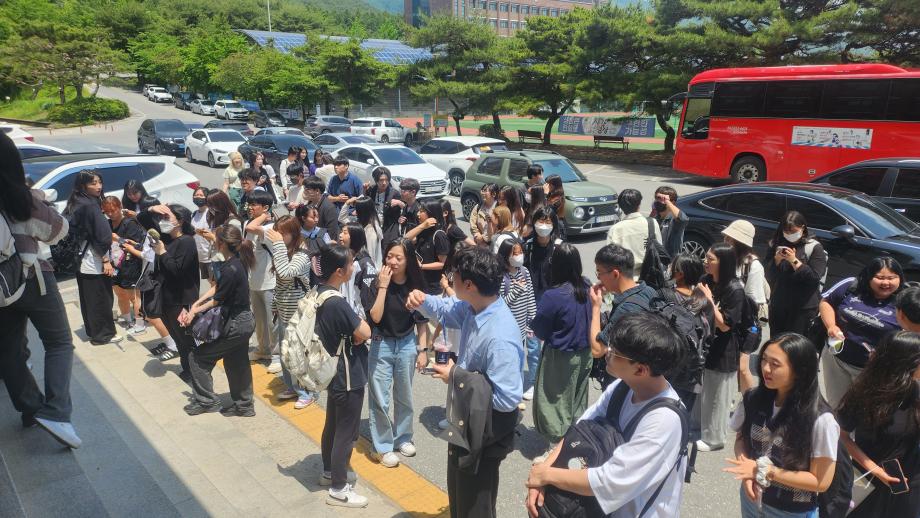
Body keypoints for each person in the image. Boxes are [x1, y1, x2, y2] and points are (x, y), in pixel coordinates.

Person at [526, 312, 687, 518]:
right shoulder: (623, 386)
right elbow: (581, 428)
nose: (607, 352)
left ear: (640, 370)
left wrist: (547, 475)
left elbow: (609, 481)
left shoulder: (663, 421)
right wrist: (542, 472)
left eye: (615, 352)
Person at [407, 246, 523, 518]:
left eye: (454, 276)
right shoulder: (475, 307)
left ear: (469, 284)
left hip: (485, 431)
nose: (450, 280)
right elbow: (446, 309)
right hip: (467, 419)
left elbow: (507, 400)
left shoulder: (500, 336)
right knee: (460, 493)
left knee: (476, 503)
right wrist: (422, 299)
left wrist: (456, 376)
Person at [0, 132, 79, 448]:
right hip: (33, 279)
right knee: (59, 343)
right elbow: (58, 231)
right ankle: (56, 412)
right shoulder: (20, 198)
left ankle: (31, 409)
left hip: (2, 288)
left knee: (8, 351)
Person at [725, 333, 839, 518]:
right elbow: (741, 439)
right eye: (764, 359)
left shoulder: (821, 420)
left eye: (775, 364)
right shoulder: (753, 398)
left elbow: (821, 481)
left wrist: (766, 471)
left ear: (799, 371)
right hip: (751, 500)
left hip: (790, 511)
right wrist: (746, 472)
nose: (765, 368)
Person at [313, 246, 373, 508]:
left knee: (333, 424)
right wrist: (359, 325)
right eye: (350, 264)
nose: (353, 267)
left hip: (331, 369)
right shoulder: (337, 302)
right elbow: (365, 332)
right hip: (348, 373)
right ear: (339, 271)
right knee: (346, 433)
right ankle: (339, 488)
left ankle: (329, 471)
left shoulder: (319, 292)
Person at [837, 331, 920, 517]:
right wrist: (875, 469)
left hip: (909, 483)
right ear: (907, 363)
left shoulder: (916, 392)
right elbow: (842, 435)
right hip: (869, 481)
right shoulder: (864, 393)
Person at [179, 224, 256, 417]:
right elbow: (218, 288)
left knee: (197, 357)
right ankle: (244, 406)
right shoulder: (237, 260)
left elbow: (217, 299)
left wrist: (194, 311)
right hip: (244, 321)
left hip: (236, 323)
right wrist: (196, 305)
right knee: (236, 362)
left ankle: (206, 401)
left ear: (221, 243)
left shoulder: (230, 268)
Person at [363, 238, 428, 468]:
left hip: (407, 343)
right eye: (389, 256)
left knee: (404, 394)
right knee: (380, 397)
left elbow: (421, 321)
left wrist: (423, 350)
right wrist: (383, 286)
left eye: (399, 257)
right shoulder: (375, 283)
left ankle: (403, 437)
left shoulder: (415, 285)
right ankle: (382, 446)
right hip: (381, 342)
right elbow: (376, 317)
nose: (393, 261)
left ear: (408, 260)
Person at [817, 257, 903, 407]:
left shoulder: (905, 300)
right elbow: (827, 302)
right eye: (880, 277)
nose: (886, 283)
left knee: (862, 409)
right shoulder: (851, 285)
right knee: (834, 405)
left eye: (892, 278)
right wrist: (831, 326)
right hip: (836, 361)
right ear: (868, 276)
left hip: (872, 371)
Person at [531, 244, 594, 445]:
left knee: (554, 401)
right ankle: (575, 438)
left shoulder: (554, 295)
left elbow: (540, 329)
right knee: (577, 397)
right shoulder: (586, 286)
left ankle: (557, 444)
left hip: (560, 356)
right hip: (586, 353)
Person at [697, 242, 746, 452]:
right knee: (702, 390)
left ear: (723, 262)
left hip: (724, 348)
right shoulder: (706, 280)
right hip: (705, 342)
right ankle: (699, 428)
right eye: (706, 257)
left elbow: (725, 325)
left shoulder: (735, 289)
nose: (705, 262)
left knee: (718, 396)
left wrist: (708, 300)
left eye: (710, 259)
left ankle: (715, 439)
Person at [588, 244, 658, 390]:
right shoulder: (649, 290)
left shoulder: (626, 309)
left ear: (615, 274)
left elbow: (597, 350)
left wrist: (595, 307)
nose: (598, 278)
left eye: (599, 272)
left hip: (626, 384)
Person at [264, 215, 316, 409]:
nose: (278, 236)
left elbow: (286, 273)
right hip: (283, 311)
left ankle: (307, 392)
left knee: (298, 355)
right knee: (286, 353)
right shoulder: (283, 252)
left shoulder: (302, 256)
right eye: (277, 232)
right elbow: (279, 282)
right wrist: (275, 305)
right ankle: (292, 387)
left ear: (293, 234)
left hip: (298, 314)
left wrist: (277, 246)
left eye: (282, 233)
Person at [66, 170, 122, 346]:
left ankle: (93, 331)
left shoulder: (76, 200)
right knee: (101, 298)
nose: (99, 186)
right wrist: (105, 260)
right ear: (83, 186)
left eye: (99, 182)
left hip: (81, 258)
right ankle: (103, 335)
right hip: (93, 259)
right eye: (93, 183)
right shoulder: (90, 205)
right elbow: (102, 237)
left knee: (89, 298)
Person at [151, 205, 201, 380]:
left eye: (167, 217)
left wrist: (163, 253)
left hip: (181, 299)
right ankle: (187, 369)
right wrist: (152, 209)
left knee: (186, 338)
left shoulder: (186, 242)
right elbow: (143, 220)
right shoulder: (167, 238)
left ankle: (196, 373)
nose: (162, 221)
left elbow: (177, 270)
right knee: (177, 337)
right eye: (162, 217)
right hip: (167, 298)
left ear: (180, 221)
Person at [659, 253, 713, 410]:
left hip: (666, 370)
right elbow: (709, 338)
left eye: (672, 267)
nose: (669, 269)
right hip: (692, 373)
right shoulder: (704, 301)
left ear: (680, 273)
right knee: (682, 414)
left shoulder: (665, 295)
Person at [765, 210, 828, 336]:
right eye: (786, 232)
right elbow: (768, 274)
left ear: (802, 228)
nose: (789, 235)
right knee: (777, 340)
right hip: (779, 305)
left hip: (803, 308)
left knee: (796, 344)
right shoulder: (777, 244)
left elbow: (814, 278)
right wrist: (777, 260)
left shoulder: (813, 247)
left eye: (793, 232)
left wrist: (794, 261)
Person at [723, 219, 768, 392]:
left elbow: (753, 301)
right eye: (726, 237)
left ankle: (750, 402)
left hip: (746, 325)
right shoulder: (727, 258)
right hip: (728, 318)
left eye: (730, 238)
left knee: (742, 367)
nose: (726, 240)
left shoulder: (753, 266)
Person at [242, 190, 278, 371]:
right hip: (254, 281)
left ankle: (277, 355)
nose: (250, 207)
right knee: (260, 320)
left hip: (270, 282)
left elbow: (251, 228)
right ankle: (263, 349)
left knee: (272, 322)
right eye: (249, 204)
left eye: (254, 205)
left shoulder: (270, 227)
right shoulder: (249, 223)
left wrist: (264, 216)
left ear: (265, 208)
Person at [497, 239, 537, 401]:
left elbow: (530, 297)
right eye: (515, 253)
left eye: (521, 252)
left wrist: (533, 319)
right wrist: (517, 290)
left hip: (523, 327)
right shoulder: (501, 277)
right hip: (508, 329)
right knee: (511, 363)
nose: (519, 256)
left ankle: (517, 392)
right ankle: (511, 394)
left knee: (521, 360)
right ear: (505, 256)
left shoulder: (524, 272)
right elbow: (501, 304)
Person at [101, 196, 146, 332]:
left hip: (130, 265)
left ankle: (140, 324)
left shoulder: (129, 223)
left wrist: (118, 239)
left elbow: (137, 245)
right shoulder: (106, 224)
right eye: (107, 212)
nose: (110, 214)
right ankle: (128, 320)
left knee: (134, 297)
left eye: (113, 210)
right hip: (114, 266)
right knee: (120, 294)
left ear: (120, 207)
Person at [606, 188, 662, 273]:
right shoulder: (652, 223)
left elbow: (610, 259)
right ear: (639, 204)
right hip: (650, 275)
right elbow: (659, 250)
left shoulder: (616, 229)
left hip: (626, 276)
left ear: (621, 207)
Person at [410, 200, 450, 295]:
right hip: (420, 282)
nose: (418, 214)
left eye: (421, 211)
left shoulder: (439, 235)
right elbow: (406, 239)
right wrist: (422, 226)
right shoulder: (423, 229)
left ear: (431, 214)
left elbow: (442, 264)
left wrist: (421, 266)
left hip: (433, 288)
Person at [338, 223, 377, 317]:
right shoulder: (345, 258)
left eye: (345, 233)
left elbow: (368, 297)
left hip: (358, 317)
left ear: (355, 237)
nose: (340, 235)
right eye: (341, 232)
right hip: (345, 314)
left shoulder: (365, 263)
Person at [524, 207, 561, 304]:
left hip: (553, 296)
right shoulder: (528, 246)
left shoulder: (559, 247)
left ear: (553, 225)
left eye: (548, 222)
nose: (544, 226)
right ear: (534, 223)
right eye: (541, 221)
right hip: (532, 297)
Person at [340, 196, 382, 267]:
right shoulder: (360, 225)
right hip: (362, 266)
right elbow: (342, 218)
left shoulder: (371, 231)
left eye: (357, 209)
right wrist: (347, 203)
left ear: (362, 212)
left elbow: (370, 256)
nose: (355, 212)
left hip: (367, 269)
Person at [651, 186, 688, 259]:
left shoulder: (674, 220)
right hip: (654, 259)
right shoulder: (655, 217)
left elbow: (683, 219)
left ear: (672, 202)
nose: (658, 201)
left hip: (669, 260)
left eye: (662, 199)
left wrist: (667, 201)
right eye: (657, 198)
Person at [366, 167, 401, 242]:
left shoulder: (394, 193)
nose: (384, 183)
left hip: (388, 226)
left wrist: (400, 203)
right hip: (373, 224)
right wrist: (364, 191)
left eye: (387, 180)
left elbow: (401, 211)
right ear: (376, 180)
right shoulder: (371, 190)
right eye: (381, 180)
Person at [302, 175, 340, 240]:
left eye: (307, 189)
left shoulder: (329, 208)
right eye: (304, 189)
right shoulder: (309, 205)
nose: (304, 192)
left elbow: (331, 234)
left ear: (317, 191)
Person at [190, 187, 212, 280]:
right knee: (210, 281)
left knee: (215, 283)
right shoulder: (194, 214)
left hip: (210, 256)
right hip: (199, 256)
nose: (198, 197)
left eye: (201, 195)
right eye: (196, 195)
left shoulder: (211, 214)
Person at [469, 183, 498, 248]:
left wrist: (483, 237)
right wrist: (476, 234)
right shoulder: (478, 207)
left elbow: (499, 228)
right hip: (479, 243)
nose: (482, 193)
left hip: (493, 245)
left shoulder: (499, 208)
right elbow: (472, 222)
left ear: (494, 194)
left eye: (485, 191)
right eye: (482, 190)